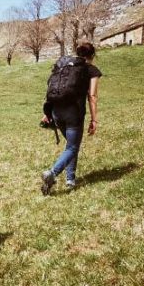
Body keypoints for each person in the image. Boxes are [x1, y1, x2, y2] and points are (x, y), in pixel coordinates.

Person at [41, 42, 101, 194]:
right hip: (73, 114)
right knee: (73, 147)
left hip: (56, 111)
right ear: (92, 55)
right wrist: (94, 120)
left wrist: (47, 113)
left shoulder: (64, 66)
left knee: (71, 146)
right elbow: (92, 96)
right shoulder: (91, 70)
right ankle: (52, 173)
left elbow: (52, 87)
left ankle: (70, 180)